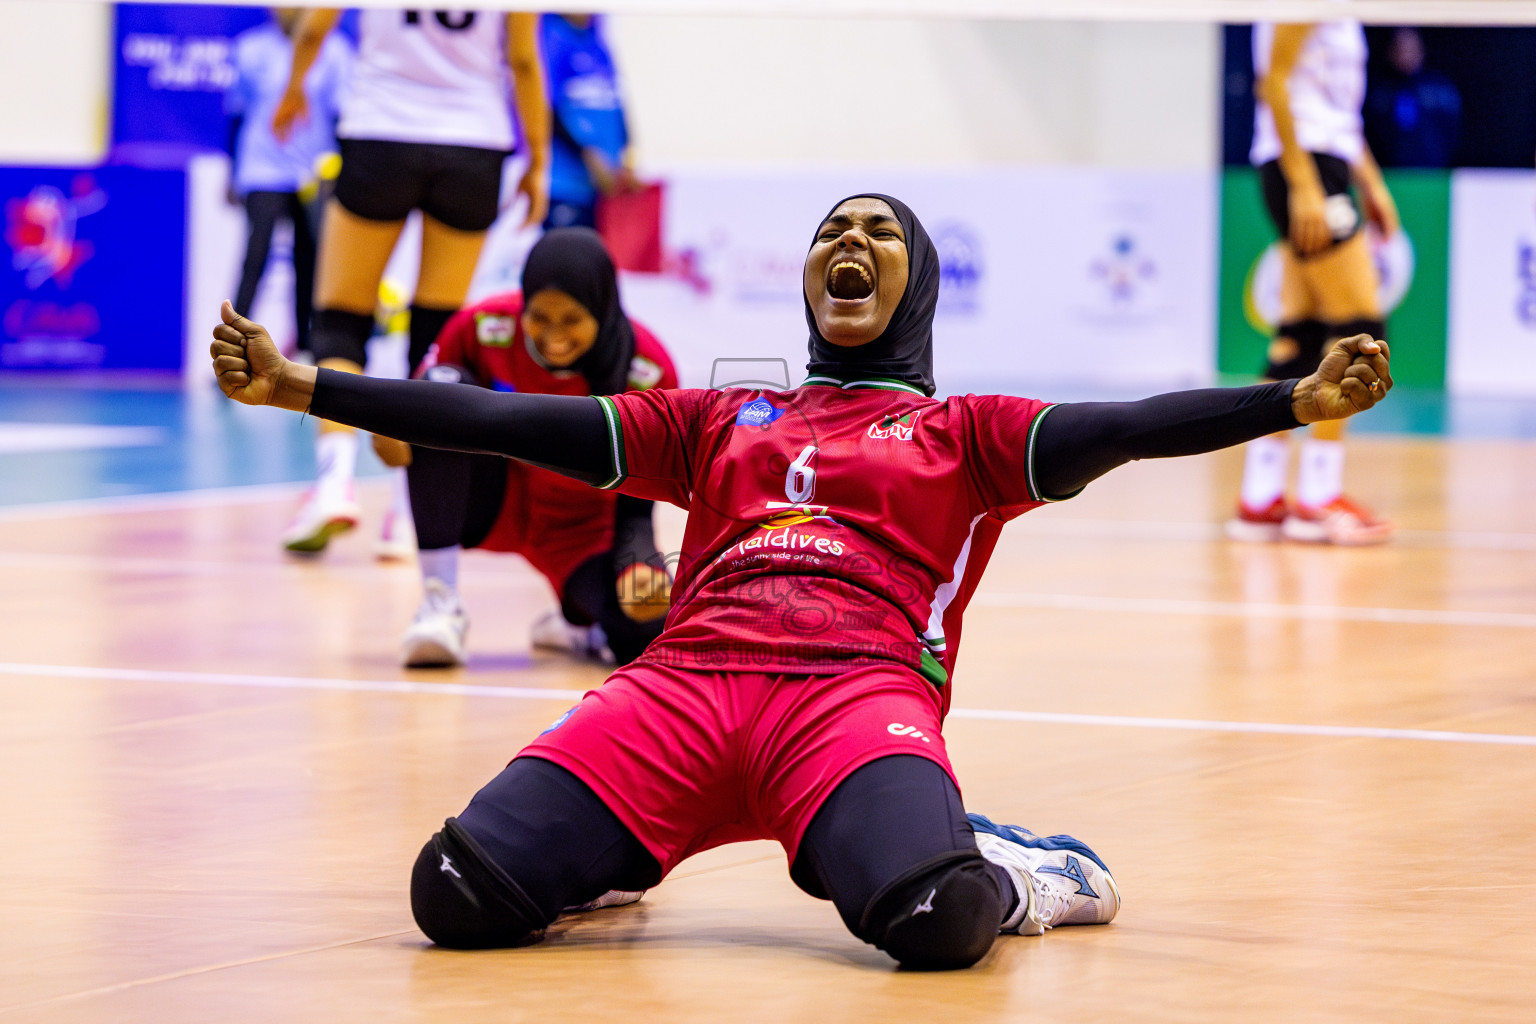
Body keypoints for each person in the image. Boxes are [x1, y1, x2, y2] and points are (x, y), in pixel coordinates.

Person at [212, 193, 1392, 969]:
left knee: (940, 921)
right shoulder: (720, 416)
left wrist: (1290, 400)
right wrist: (308, 385)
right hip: (678, 691)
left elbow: (1134, 423)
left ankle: (1019, 866)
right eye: (835, 229)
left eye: (881, 233)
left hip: (852, 704)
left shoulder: (968, 434)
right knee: (455, 892)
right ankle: (609, 854)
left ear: (916, 283)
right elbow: (496, 416)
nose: (851, 243)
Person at [270, 7, 551, 556]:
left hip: (381, 132)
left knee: (340, 323)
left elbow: (312, 28)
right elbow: (522, 59)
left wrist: (292, 90)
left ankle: (334, 483)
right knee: (433, 340)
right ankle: (408, 510)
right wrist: (538, 159)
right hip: (475, 143)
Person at [401, 228, 677, 668]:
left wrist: (640, 563)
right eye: (539, 317)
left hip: (580, 532)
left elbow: (638, 503)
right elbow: (417, 393)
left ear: (602, 310)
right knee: (435, 397)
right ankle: (440, 605)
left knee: (642, 634)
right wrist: (388, 424)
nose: (553, 335)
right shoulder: (485, 325)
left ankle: (576, 625)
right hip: (494, 499)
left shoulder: (647, 368)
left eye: (571, 321)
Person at [1228, 20, 1399, 546]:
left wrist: (1370, 182)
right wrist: (1304, 185)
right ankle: (1318, 499)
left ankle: (1260, 498)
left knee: (1299, 337)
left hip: (1322, 162)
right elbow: (1273, 81)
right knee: (1360, 325)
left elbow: (1339, 112)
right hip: (1303, 164)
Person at [225, 8, 351, 360]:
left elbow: (343, 115)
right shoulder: (250, 49)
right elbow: (235, 115)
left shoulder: (336, 51)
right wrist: (231, 172)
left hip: (313, 171)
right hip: (262, 168)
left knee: (310, 260)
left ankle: (308, 352)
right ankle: (233, 347)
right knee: (255, 257)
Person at [540, 13, 634, 231]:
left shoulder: (598, 43)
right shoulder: (551, 39)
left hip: (603, 186)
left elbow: (617, 102)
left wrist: (627, 159)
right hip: (564, 183)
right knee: (567, 256)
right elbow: (545, 110)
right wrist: (587, 155)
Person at [1363, 27, 1461, 169]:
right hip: (1388, 170)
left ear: (1421, 50)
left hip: (1432, 171)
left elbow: (1452, 131)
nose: (1405, 53)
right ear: (1390, 51)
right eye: (1400, 48)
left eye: (1410, 48)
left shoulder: (1439, 87)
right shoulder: (1377, 91)